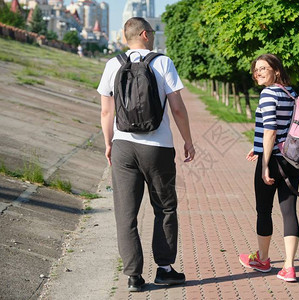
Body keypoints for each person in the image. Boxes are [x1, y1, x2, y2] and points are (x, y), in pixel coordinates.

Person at [97, 17, 195, 292]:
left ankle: (133, 277)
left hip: (123, 147)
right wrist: (188, 140)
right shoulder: (162, 62)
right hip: (158, 147)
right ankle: (164, 270)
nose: (152, 36)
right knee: (164, 207)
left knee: (125, 213)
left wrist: (109, 143)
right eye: (150, 32)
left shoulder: (112, 64)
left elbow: (106, 111)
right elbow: (177, 108)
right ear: (144, 34)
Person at [239, 54, 299, 282]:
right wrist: (256, 147)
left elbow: (271, 131)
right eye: (256, 70)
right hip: (292, 160)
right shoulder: (291, 93)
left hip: (273, 160)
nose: (258, 73)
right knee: (289, 211)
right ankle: (289, 267)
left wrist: (264, 165)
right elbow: (286, 127)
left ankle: (263, 259)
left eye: (263, 68)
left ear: (276, 70)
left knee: (264, 210)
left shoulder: (268, 94)